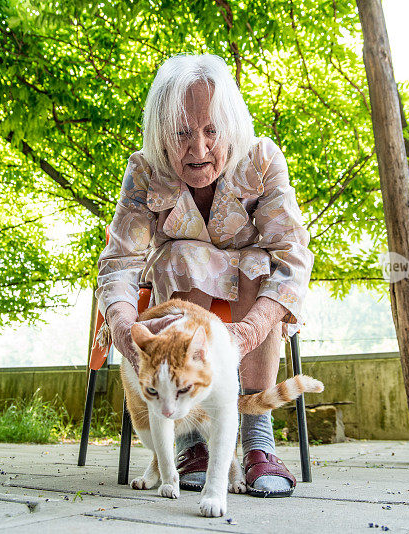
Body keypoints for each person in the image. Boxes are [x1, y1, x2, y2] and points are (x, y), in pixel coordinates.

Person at [96, 54, 313, 497]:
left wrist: (249, 331)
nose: (198, 150)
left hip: (250, 301)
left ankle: (257, 438)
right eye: (181, 133)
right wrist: (122, 328)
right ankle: (193, 442)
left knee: (259, 262)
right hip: (178, 306)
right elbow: (120, 262)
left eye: (211, 131)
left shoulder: (262, 159)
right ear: (161, 133)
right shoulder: (144, 172)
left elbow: (291, 255)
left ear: (230, 125)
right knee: (180, 255)